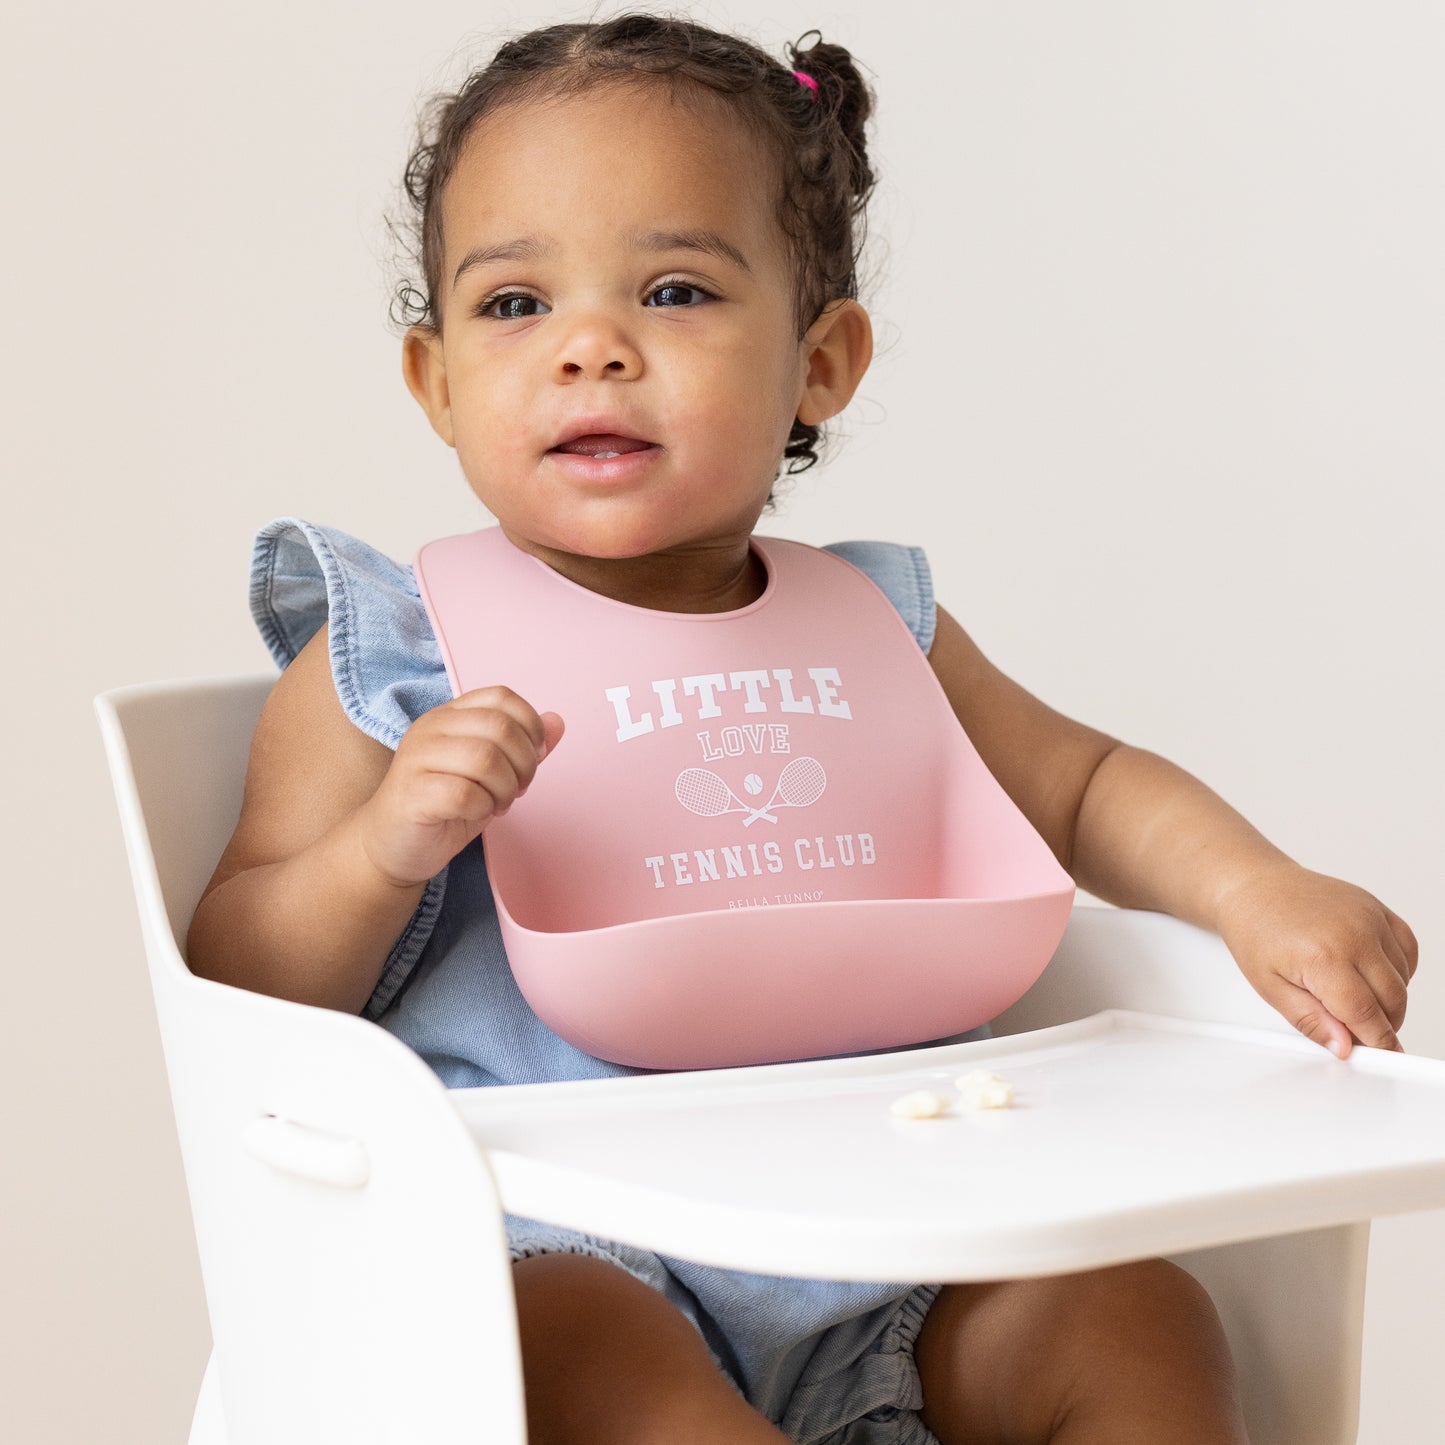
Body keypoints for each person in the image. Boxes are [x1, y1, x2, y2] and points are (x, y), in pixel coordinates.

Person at [186, 15, 1417, 1445]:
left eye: (674, 290)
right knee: (569, 1353)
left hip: (903, 1239)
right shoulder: (394, 661)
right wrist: (381, 847)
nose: (591, 349)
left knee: (1134, 1314)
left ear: (820, 361)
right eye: (515, 304)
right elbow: (235, 982)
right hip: (555, 1249)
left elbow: (1082, 788)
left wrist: (1254, 889)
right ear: (438, 380)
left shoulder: (876, 628)